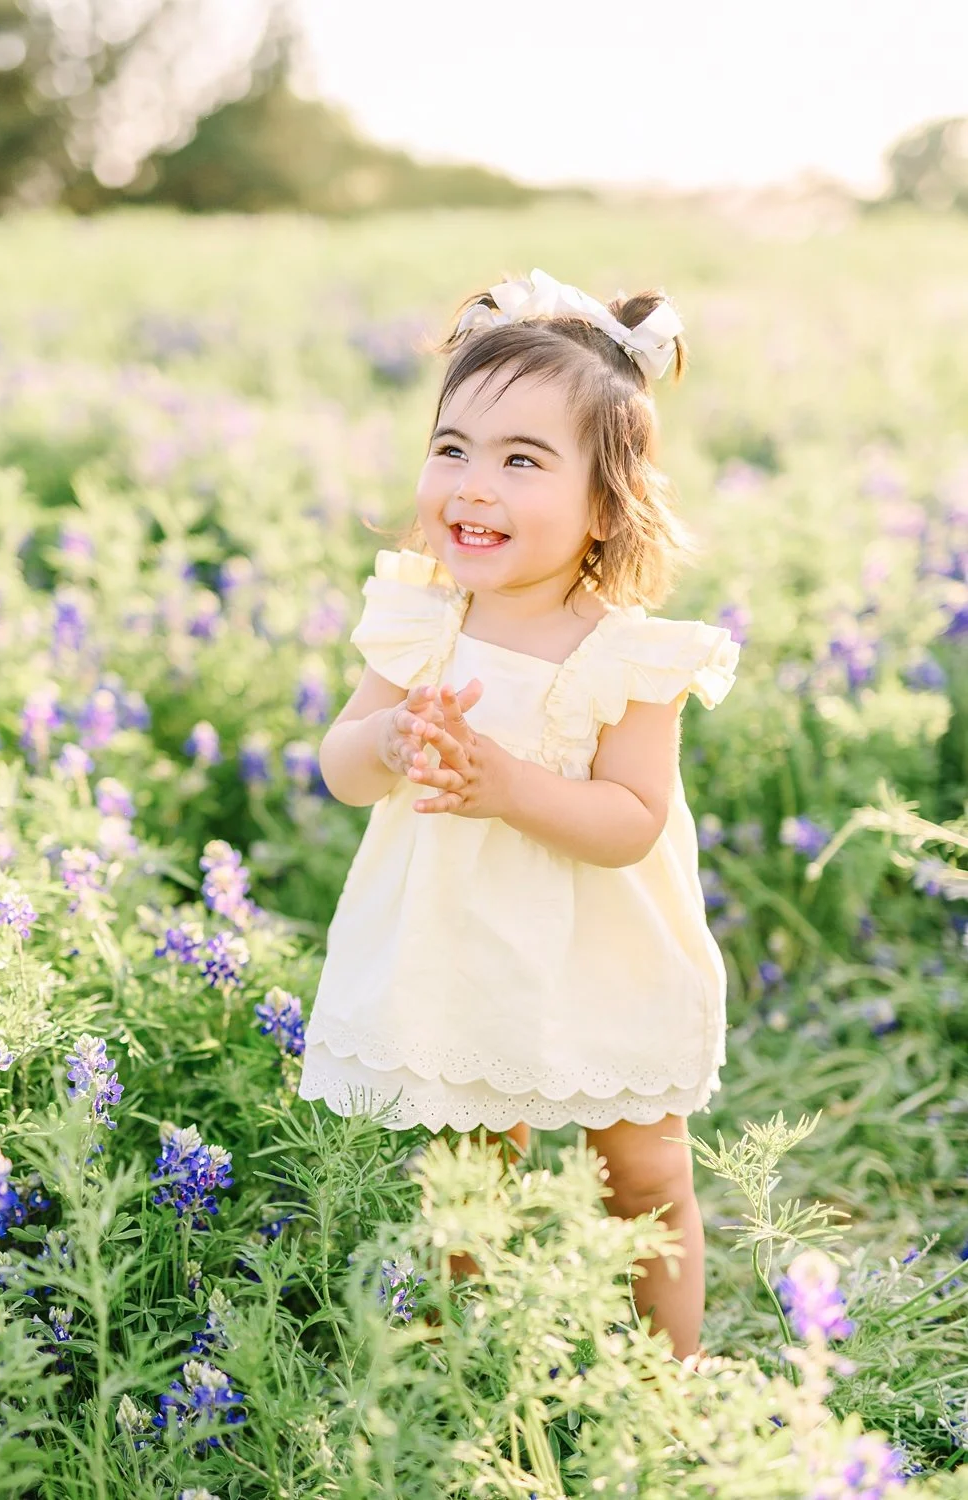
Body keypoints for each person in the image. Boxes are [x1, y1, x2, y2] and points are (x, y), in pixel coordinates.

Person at [297, 267, 741, 1362]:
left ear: (607, 505)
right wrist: (388, 744)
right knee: (468, 1180)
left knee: (642, 1177)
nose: (472, 485)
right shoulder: (420, 623)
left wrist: (504, 786)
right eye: (452, 447)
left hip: (608, 948)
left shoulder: (632, 655)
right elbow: (340, 769)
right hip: (464, 948)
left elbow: (632, 820)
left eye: (522, 460)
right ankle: (468, 1375)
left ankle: (665, 1386)